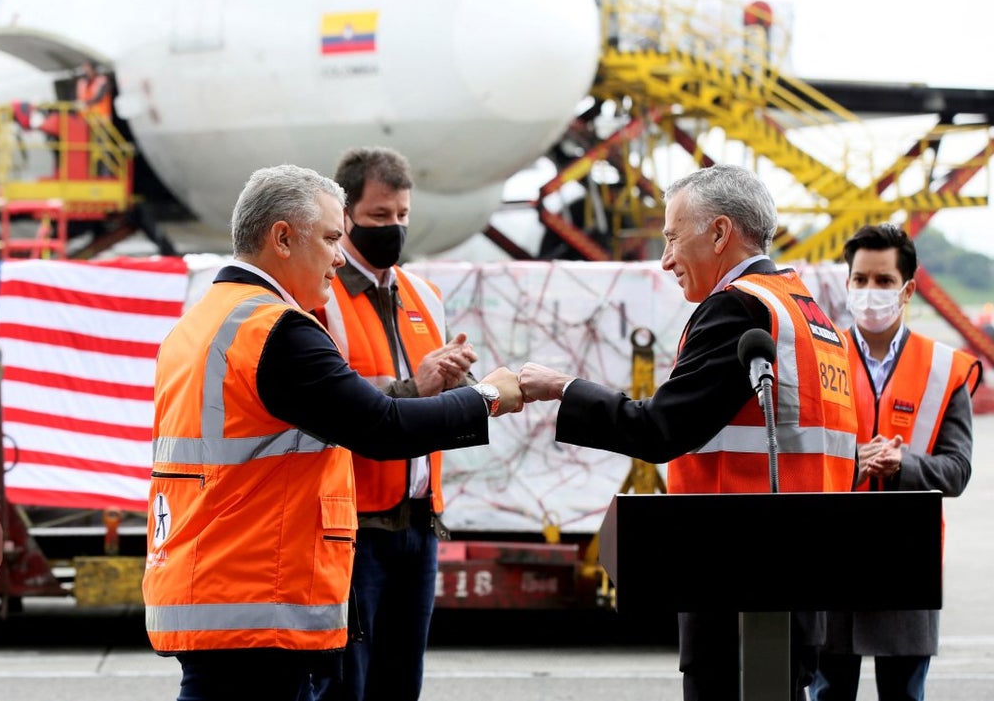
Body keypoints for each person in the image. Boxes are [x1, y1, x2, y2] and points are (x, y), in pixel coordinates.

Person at [142, 164, 523, 701]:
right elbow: (382, 427)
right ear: (281, 238)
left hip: (215, 589)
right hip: (258, 602)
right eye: (329, 238)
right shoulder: (279, 331)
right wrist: (486, 399)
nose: (340, 256)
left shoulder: (201, 323)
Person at [518, 163, 859, 701]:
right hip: (803, 579)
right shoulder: (810, 315)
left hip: (731, 572)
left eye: (673, 237)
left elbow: (660, 429)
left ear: (721, 233)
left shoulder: (739, 309)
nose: (666, 258)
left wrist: (564, 388)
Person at [314, 147, 477, 701]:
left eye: (403, 216)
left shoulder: (423, 296)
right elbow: (334, 404)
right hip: (354, 526)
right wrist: (417, 387)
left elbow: (422, 399)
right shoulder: (321, 298)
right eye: (380, 216)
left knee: (401, 684)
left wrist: (453, 385)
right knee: (348, 685)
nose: (395, 228)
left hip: (419, 524)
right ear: (344, 216)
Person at [811, 224, 981, 701]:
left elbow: (957, 471)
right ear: (847, 284)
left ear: (907, 289)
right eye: (860, 279)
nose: (870, 292)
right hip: (832, 558)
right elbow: (793, 455)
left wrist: (901, 466)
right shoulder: (816, 361)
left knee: (904, 695)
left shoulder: (946, 369)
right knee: (828, 693)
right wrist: (853, 462)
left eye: (883, 281)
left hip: (908, 560)